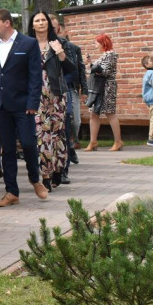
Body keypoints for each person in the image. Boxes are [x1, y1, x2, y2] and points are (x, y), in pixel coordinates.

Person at [0, 9, 48, 207]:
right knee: (8, 149)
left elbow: (35, 76)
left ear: (7, 23)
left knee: (29, 144)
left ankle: (34, 178)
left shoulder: (28, 44)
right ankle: (11, 191)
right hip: (0, 106)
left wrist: (32, 102)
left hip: (22, 105)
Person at [30, 12, 71, 190]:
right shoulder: (27, 45)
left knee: (57, 134)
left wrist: (60, 52)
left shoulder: (59, 43)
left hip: (56, 95)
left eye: (43, 20)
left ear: (48, 23)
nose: (41, 23)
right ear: (32, 25)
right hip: (36, 95)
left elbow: (71, 69)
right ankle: (45, 175)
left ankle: (58, 169)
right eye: (37, 20)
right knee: (41, 134)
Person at [52, 16, 85, 181]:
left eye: (53, 26)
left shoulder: (68, 46)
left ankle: (69, 147)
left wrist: (83, 88)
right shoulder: (34, 46)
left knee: (72, 122)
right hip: (44, 93)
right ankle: (59, 168)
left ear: (58, 28)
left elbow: (76, 69)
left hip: (67, 89)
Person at [85, 33, 123, 152]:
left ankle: (118, 141)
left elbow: (105, 71)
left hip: (107, 87)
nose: (95, 45)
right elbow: (95, 69)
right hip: (97, 88)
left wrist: (91, 66)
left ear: (103, 43)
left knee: (110, 112)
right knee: (93, 113)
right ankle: (93, 141)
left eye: (96, 42)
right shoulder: (104, 56)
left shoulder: (110, 54)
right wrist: (90, 63)